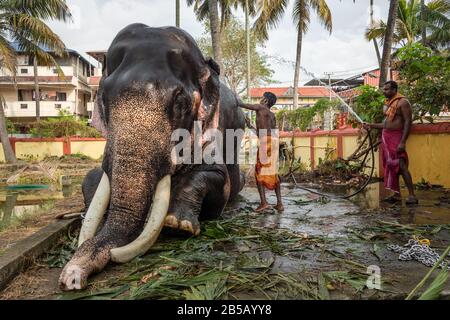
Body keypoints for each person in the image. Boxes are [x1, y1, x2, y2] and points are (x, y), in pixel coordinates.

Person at [364, 81, 418, 205]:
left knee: (401, 165)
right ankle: (397, 195)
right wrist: (371, 125)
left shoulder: (403, 102)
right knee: (392, 166)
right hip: (387, 139)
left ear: (394, 90)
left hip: (397, 139)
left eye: (387, 89)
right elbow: (386, 124)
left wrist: (403, 142)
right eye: (384, 89)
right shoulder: (389, 104)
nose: (384, 91)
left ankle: (412, 196)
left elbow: (408, 122)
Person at [238, 92, 284, 212]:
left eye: (262, 97)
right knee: (273, 172)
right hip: (273, 142)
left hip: (266, 143)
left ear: (266, 101)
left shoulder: (260, 108)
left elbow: (244, 105)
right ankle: (279, 204)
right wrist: (249, 126)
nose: (260, 99)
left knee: (258, 172)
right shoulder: (272, 115)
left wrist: (235, 100)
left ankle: (264, 203)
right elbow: (264, 133)